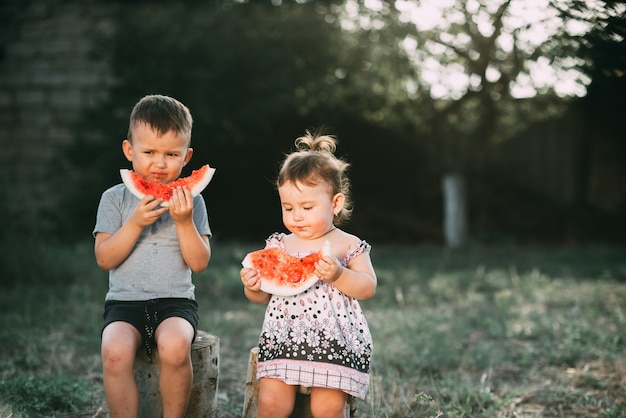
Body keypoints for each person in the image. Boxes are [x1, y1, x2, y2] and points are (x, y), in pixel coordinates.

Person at [240, 130, 377, 418]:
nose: (296, 216)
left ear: (335, 204)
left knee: (327, 409)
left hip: (334, 342)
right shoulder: (279, 245)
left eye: (307, 207)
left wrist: (338, 274)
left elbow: (367, 288)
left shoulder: (349, 244)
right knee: (271, 405)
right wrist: (253, 286)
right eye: (288, 207)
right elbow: (261, 297)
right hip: (282, 339)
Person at [93, 94, 212, 418]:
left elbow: (199, 263)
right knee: (113, 353)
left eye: (171, 154)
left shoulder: (192, 202)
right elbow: (104, 258)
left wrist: (184, 221)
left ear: (186, 157)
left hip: (175, 302)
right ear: (129, 151)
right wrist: (134, 223)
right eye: (149, 152)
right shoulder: (114, 199)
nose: (160, 163)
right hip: (123, 303)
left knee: (175, 347)